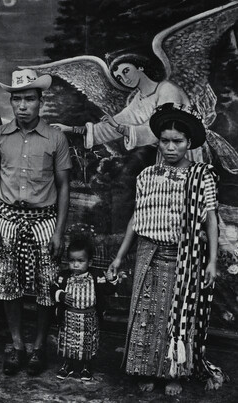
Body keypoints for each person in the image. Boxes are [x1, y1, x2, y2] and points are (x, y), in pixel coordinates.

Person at [107, 103, 228, 395]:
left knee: (179, 317)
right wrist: (120, 256)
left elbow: (210, 218)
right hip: (149, 252)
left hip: (185, 255)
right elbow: (137, 218)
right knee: (147, 313)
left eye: (178, 141)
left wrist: (212, 260)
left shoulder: (201, 176)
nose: (170, 147)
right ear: (158, 142)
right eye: (165, 141)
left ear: (188, 144)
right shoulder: (147, 176)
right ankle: (148, 370)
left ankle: (175, 373)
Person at [0, 68, 72, 376]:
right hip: (8, 218)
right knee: (9, 285)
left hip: (44, 220)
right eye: (17, 99)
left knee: (47, 286)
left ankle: (38, 347)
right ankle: (17, 345)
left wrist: (59, 232)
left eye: (30, 99)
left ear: (40, 102)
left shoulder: (56, 138)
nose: (23, 106)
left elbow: (64, 187)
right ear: (11, 102)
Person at [55, 53, 203, 161]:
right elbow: (113, 125)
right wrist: (70, 129)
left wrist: (122, 128)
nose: (124, 79)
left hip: (186, 151)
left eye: (126, 71)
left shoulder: (167, 89)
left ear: (140, 67)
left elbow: (160, 130)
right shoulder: (138, 99)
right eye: (119, 77)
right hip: (166, 153)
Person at [51, 237, 118, 381]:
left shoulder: (97, 276)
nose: (75, 265)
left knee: (87, 344)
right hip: (69, 318)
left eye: (80, 261)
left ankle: (85, 367)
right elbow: (53, 289)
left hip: (89, 318)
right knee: (68, 341)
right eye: (72, 261)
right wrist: (61, 296)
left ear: (90, 262)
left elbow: (108, 290)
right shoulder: (64, 277)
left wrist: (112, 279)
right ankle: (67, 365)